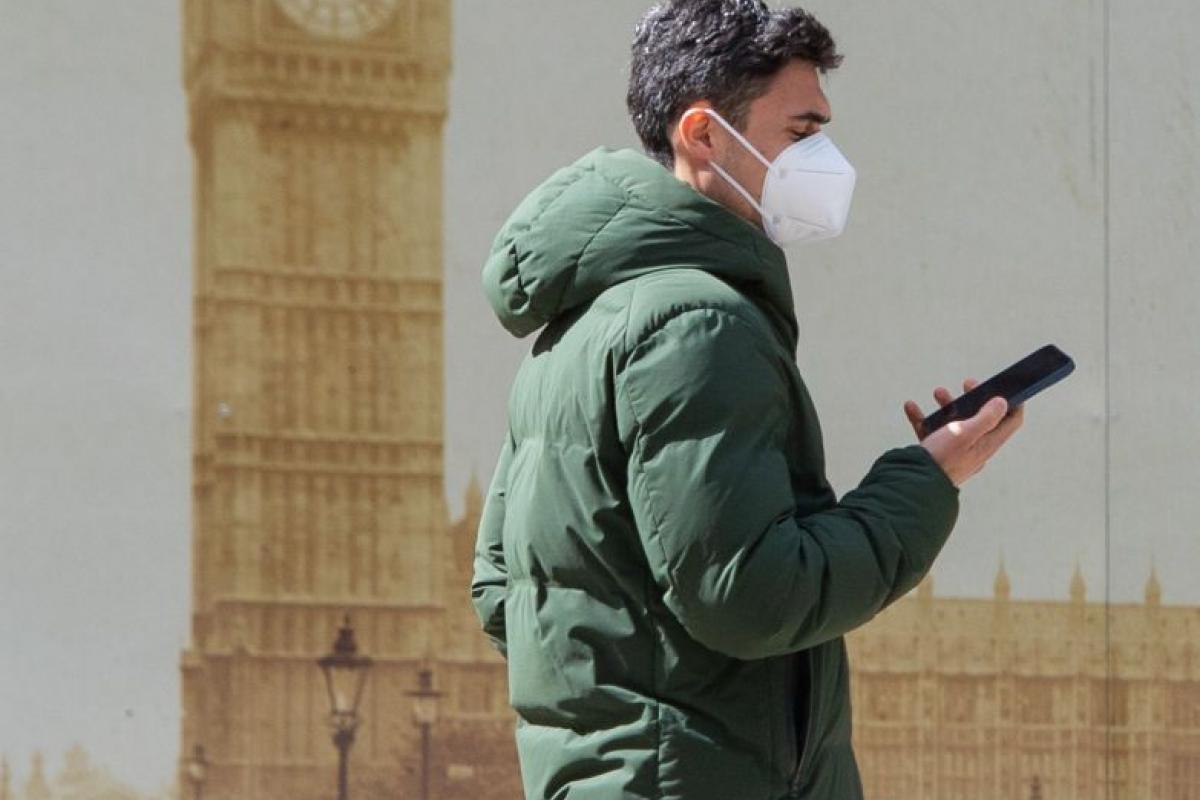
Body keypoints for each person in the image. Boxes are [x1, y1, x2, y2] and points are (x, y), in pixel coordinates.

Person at [470, 1, 1024, 798]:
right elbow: (753, 597)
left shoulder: (577, 327)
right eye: (802, 132)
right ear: (703, 134)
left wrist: (632, 689)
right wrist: (927, 481)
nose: (826, 160)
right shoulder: (698, 324)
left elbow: (504, 590)